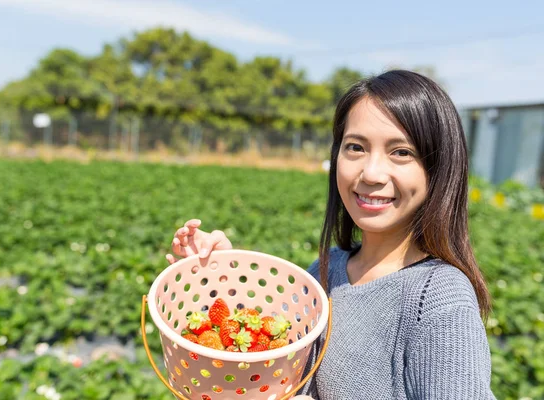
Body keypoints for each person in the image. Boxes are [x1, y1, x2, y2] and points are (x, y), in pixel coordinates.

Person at [165, 70, 496, 399]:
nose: (371, 173)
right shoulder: (326, 270)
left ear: (438, 169)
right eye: (356, 147)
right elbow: (263, 359)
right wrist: (223, 275)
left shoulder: (437, 297)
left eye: (401, 152)